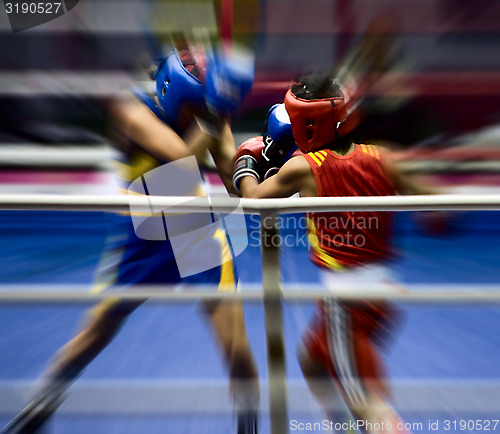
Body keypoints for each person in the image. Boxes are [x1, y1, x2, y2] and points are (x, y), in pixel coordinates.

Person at [2, 47, 259, 434]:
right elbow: (178, 158)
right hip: (144, 232)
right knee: (96, 331)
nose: (197, 115)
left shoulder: (210, 114)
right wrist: (211, 119)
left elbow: (230, 181)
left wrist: (249, 157)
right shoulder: (131, 110)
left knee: (235, 341)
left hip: (194, 229)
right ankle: (41, 404)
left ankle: (249, 421)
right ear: (173, 92)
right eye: (193, 108)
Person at [233, 71, 434, 433]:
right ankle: (340, 426)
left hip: (346, 300)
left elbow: (251, 200)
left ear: (308, 125)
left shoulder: (303, 168)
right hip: (383, 293)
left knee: (368, 405)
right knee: (311, 360)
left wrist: (246, 161)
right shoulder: (384, 158)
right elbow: (440, 210)